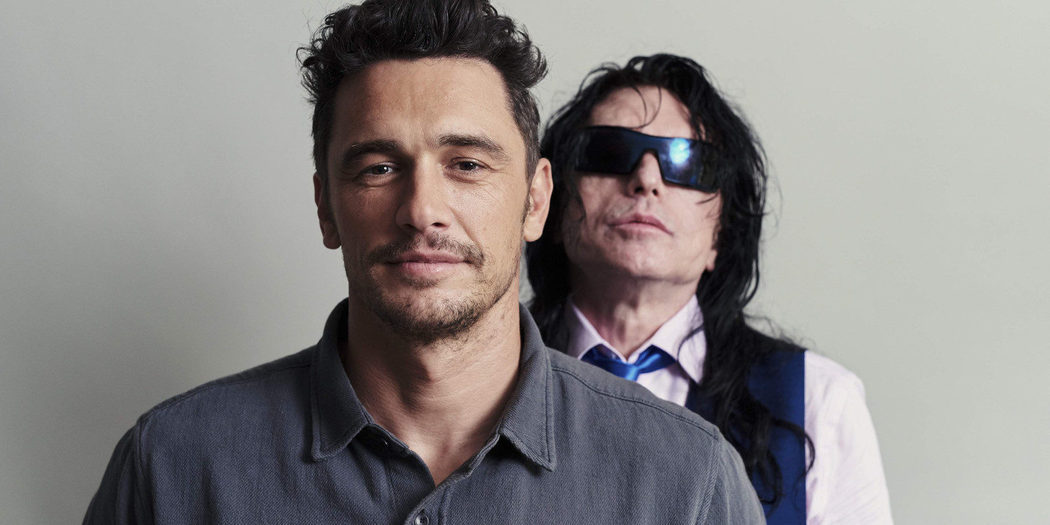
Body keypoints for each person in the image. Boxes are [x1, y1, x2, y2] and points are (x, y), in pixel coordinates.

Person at [83, 3, 764, 523]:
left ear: (535, 200)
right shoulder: (171, 467)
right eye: (379, 168)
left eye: (466, 164)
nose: (422, 209)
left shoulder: (688, 481)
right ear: (325, 207)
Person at [527, 53, 893, 525]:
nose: (646, 180)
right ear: (550, 206)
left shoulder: (818, 400)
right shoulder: (473, 380)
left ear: (720, 236)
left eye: (688, 163)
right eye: (610, 152)